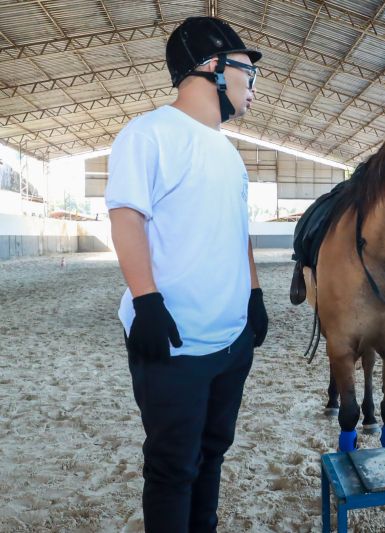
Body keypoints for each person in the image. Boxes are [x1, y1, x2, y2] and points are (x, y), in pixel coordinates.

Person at [104, 17, 268, 533]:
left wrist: (255, 296)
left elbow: (238, 232)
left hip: (228, 340)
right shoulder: (150, 133)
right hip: (174, 341)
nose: (253, 87)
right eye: (247, 71)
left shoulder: (228, 152)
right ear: (212, 67)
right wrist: (146, 301)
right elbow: (126, 216)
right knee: (173, 468)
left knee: (213, 453)